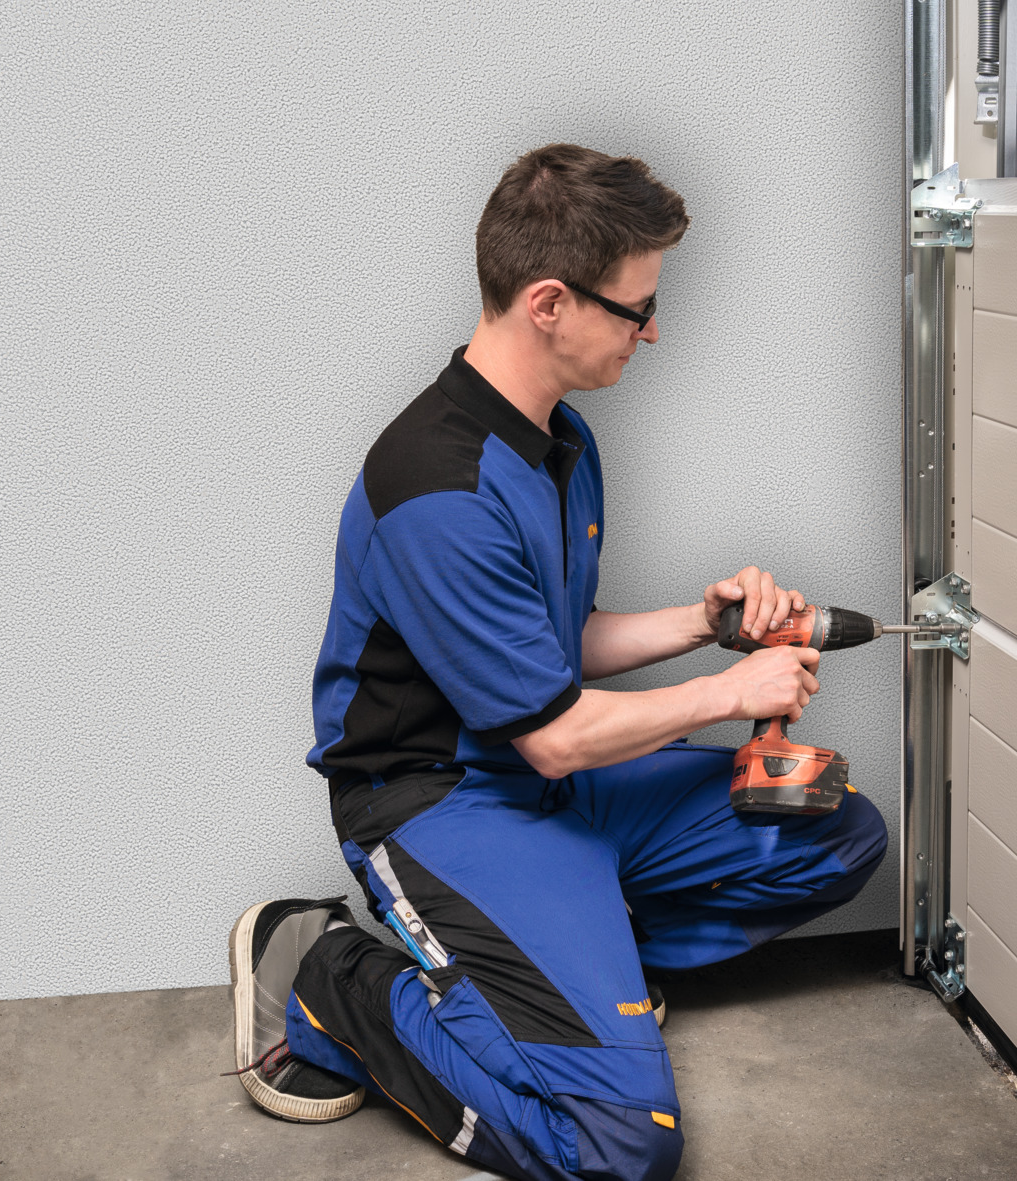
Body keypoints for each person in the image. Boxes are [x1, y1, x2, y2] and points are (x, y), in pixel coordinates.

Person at [226, 143, 887, 1181]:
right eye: (637, 308)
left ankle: (566, 972)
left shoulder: (558, 440)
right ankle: (327, 975)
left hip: (551, 779)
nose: (651, 330)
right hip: (442, 802)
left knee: (833, 831)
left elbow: (550, 645)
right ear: (548, 303)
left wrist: (703, 623)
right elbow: (552, 734)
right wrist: (729, 692)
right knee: (617, 1147)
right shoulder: (437, 487)